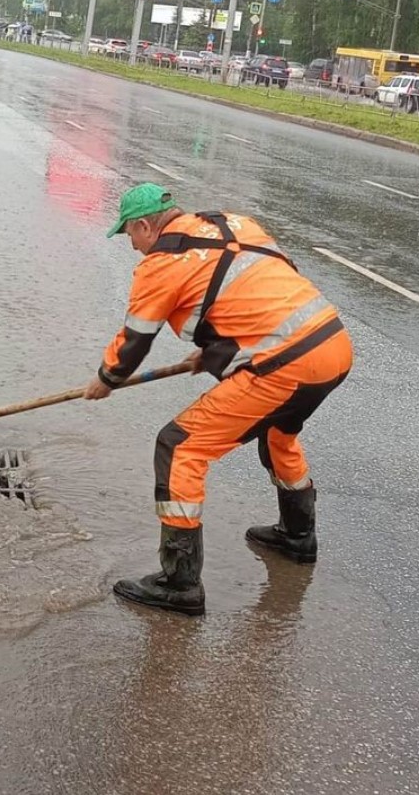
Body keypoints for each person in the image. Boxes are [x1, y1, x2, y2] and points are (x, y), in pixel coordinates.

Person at [86, 183, 353, 616]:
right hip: (333, 345)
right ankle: (297, 536)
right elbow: (272, 287)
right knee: (279, 432)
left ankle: (179, 582)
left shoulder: (161, 265)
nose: (132, 247)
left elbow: (135, 343)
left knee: (179, 446)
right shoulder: (233, 222)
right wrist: (219, 350)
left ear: (144, 226)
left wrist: (106, 378)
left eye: (129, 236)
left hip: (285, 365)